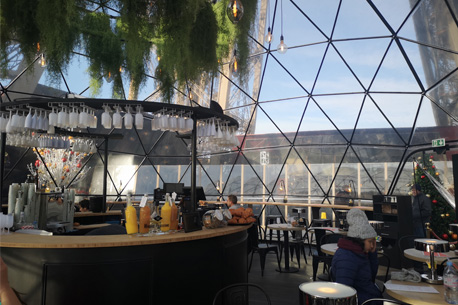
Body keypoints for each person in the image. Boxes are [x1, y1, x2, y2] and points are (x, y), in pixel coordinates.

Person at [331, 208, 382, 305]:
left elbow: (371, 277)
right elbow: (344, 293)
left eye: (374, 242)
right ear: (360, 240)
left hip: (370, 298)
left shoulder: (360, 253)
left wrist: (372, 253)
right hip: (365, 301)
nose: (372, 245)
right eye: (370, 242)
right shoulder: (346, 258)